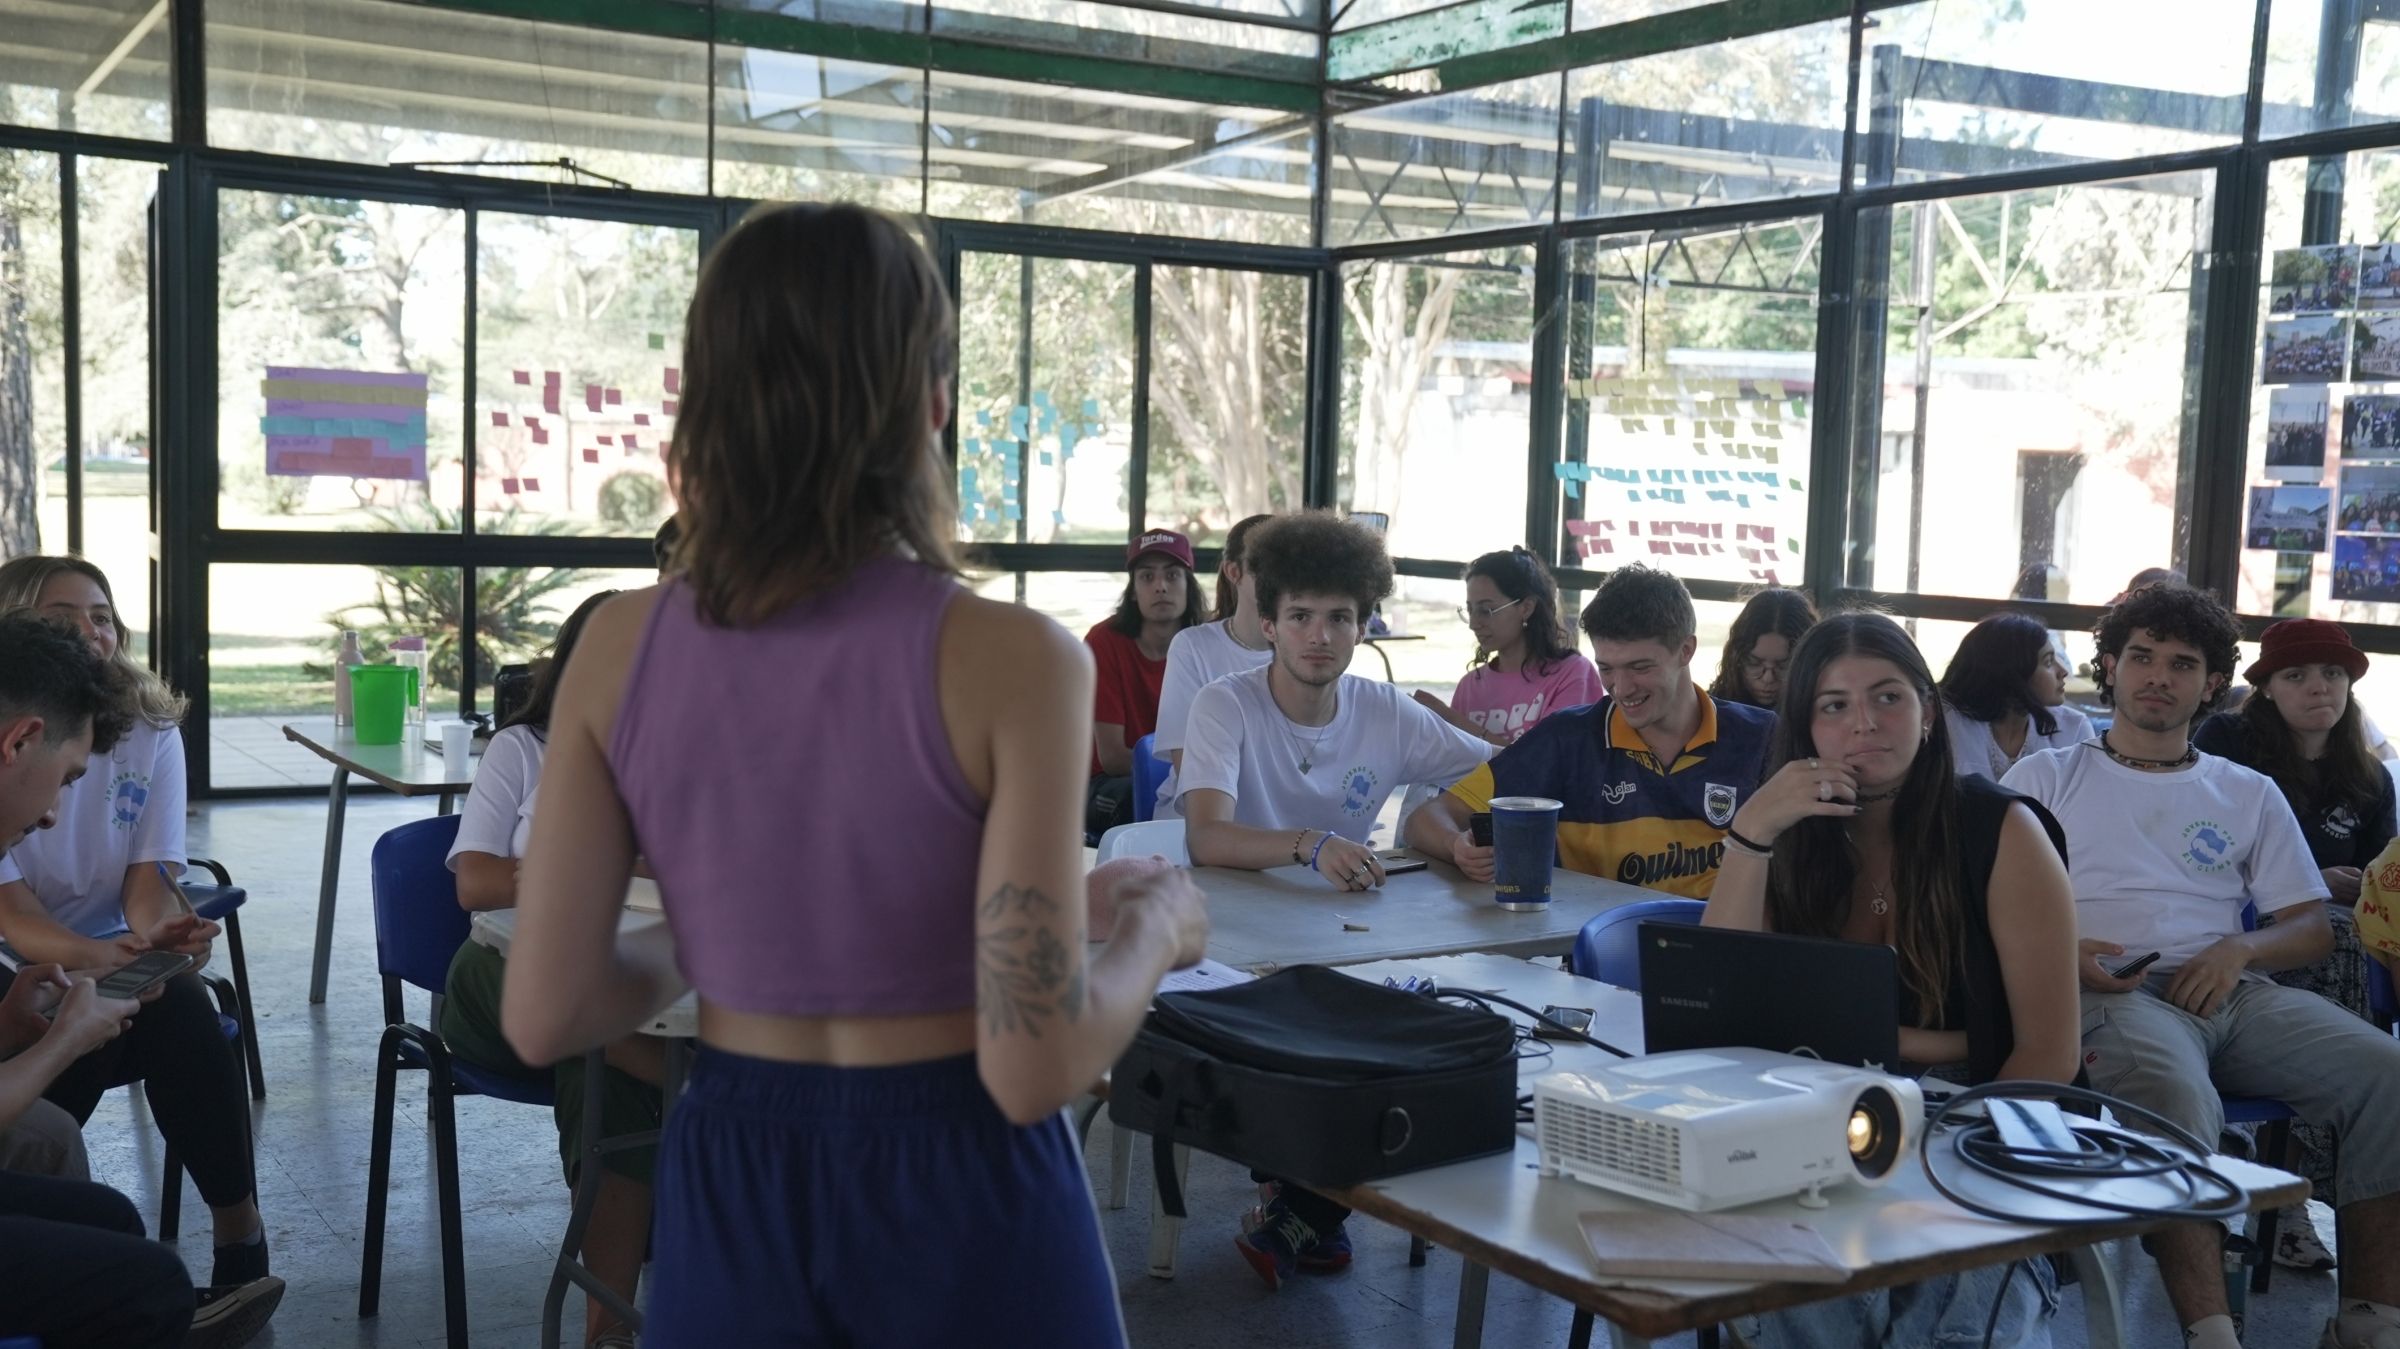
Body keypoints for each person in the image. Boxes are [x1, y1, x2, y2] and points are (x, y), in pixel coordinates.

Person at [496, 202, 1208, 1347]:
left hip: (734, 1168)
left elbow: (549, 1009)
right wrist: (1153, 931)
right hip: (964, 1175)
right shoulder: (1016, 656)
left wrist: (731, 929)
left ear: (706, 403)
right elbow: (1033, 1064)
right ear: (931, 405)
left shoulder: (618, 643)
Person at [2000, 581, 2400, 1349]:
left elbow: (2310, 927)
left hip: (2232, 991)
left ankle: (2369, 1321)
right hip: (2106, 992)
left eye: (2182, 663)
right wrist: (2060, 953)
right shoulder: (2044, 778)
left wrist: (2240, 947)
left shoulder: (2245, 790)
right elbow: (1975, 906)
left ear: (2213, 682)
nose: (2158, 675)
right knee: (2175, 1096)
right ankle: (2211, 1333)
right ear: (2110, 666)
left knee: (2388, 1074)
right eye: (2142, 656)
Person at [1705, 612, 2079, 1348]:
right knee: (1811, 1301)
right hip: (1812, 1121)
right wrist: (1751, 834)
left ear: (1929, 713)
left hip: (1979, 1122)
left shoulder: (2001, 829)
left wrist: (1934, 1126)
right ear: (1804, 726)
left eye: (1887, 697)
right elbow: (1721, 1006)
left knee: (1957, 1318)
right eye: (1834, 705)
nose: (1864, 724)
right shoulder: (1787, 834)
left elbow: (2048, 1054)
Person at [1174, 512, 1495, 1288]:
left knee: (1433, 1030)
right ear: (1269, 623)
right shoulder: (1224, 702)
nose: (1320, 635)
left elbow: (1501, 769)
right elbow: (1207, 836)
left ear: (1363, 624)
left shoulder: (1385, 710)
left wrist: (1449, 829)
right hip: (1228, 950)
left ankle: (1299, 1209)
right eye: (1301, 616)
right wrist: (1310, 843)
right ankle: (1308, 1206)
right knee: (1348, 1047)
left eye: (1340, 617)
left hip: (1343, 942)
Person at [0, 612, 283, 1349]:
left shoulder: (148, 736)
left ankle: (238, 1234)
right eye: (64, 780)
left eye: (102, 616)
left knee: (114, 1217)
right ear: (20, 740)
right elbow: (18, 916)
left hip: (53, 977)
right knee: (147, 1280)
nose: (55, 812)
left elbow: (149, 884)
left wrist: (15, 1024)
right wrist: (62, 1041)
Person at [431, 589, 664, 1349]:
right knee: (608, 1037)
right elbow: (476, 881)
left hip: (622, 979)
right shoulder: (523, 748)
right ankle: (691, 1085)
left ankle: (607, 1328)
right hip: (497, 970)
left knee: (602, 1072)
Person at [2191, 618, 2396, 1271]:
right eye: (2297, 675)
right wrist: (2309, 879)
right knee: (2339, 941)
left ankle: (2306, 1185)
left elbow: (2382, 877)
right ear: (2267, 688)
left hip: (2332, 939)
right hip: (2234, 932)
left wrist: (2354, 887)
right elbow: (2202, 851)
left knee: (2354, 939)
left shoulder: (2368, 774)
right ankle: (2292, 1188)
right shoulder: (2228, 744)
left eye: (2333, 674)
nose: (2318, 687)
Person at [1404, 565, 1776, 897]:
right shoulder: (1566, 740)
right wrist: (1458, 847)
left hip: (1724, 945)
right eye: (1606, 668)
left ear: (1686, 650)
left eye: (1640, 667)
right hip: (1601, 948)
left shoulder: (1762, 738)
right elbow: (1426, 819)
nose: (1622, 688)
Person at [1411, 545, 1601, 747]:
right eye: (1470, 610)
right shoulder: (1470, 686)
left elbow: (1548, 760)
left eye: (1486, 610)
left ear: (1526, 608)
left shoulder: (1572, 674)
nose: (1474, 624)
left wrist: (1453, 720)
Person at [1083, 530, 1206, 837]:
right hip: (1110, 783)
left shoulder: (1206, 640)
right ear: (1133, 591)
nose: (1160, 586)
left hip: (1188, 776)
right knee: (1141, 801)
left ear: (1189, 586)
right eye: (1147, 577)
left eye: (1172, 575)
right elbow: (1112, 757)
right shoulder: (1103, 641)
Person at [1150, 512, 1273, 814]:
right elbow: (1189, 766)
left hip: (1280, 820)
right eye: (1266, 563)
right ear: (1234, 572)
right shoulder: (1192, 647)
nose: (1282, 575)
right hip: (1196, 818)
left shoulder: (1308, 648)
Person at [1938, 611, 2096, 782]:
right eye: (2048, 662)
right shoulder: (1949, 726)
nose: (2063, 671)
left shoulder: (2074, 729)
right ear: (2012, 671)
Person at [1706, 586, 1816, 711]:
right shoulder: (1710, 711)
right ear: (1736, 658)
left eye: (1783, 666)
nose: (1768, 678)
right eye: (1754, 663)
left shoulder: (1820, 714)